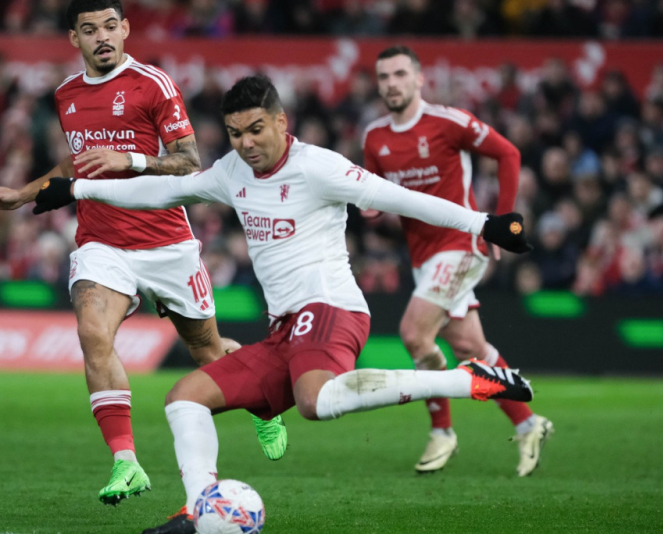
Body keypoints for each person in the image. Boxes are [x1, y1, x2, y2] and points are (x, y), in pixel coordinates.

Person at [32, 74, 535, 534]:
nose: (246, 143)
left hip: (331, 307)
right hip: (285, 329)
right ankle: (199, 508)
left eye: (255, 130)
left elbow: (401, 198)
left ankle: (468, 380)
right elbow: (168, 190)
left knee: (315, 402)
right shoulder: (232, 171)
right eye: (235, 133)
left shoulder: (318, 167)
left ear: (280, 121)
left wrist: (485, 224)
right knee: (184, 397)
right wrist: (76, 188)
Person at [0, 0, 287, 507]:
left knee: (208, 353)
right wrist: (22, 193)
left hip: (166, 243)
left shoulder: (153, 84)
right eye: (89, 30)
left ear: (124, 29)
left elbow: (189, 161)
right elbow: (76, 163)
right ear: (74, 39)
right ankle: (126, 462)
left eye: (109, 26)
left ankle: (264, 405)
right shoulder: (67, 94)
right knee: (92, 332)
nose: (101, 37)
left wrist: (131, 159)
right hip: (101, 242)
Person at [361, 45, 553, 476]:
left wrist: (504, 222)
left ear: (419, 78)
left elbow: (508, 153)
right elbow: (374, 197)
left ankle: (442, 431)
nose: (391, 83)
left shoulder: (448, 121)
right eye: (384, 77)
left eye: (399, 74)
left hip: (462, 244)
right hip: (422, 257)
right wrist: (368, 211)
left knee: (414, 335)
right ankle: (529, 424)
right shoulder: (374, 137)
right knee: (469, 347)